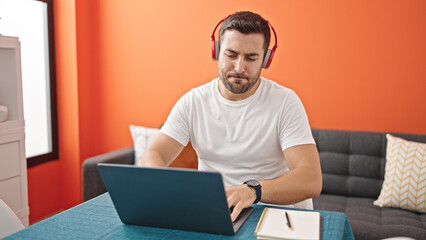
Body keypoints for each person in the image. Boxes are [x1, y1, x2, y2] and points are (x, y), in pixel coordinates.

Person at [139, 11, 322, 222]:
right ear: (216, 52)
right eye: (231, 54)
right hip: (216, 213)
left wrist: (252, 191)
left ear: (266, 59)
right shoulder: (194, 101)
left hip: (270, 215)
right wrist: (166, 187)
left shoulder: (285, 102)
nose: (239, 67)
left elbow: (311, 179)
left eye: (251, 58)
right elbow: (152, 154)